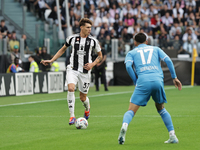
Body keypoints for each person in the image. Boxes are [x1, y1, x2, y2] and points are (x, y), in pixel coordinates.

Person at [118, 32, 182, 145]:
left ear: (135, 42)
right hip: (157, 80)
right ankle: (172, 136)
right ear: (147, 41)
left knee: (131, 110)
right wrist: (174, 78)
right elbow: (168, 60)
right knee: (161, 108)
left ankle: (124, 125)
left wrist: (135, 81)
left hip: (143, 81)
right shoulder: (156, 49)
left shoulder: (132, 52)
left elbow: (128, 66)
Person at [41, 18, 102, 125]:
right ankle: (72, 116)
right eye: (87, 27)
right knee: (70, 88)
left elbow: (100, 56)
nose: (89, 29)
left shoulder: (93, 41)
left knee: (83, 98)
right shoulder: (72, 38)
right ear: (81, 27)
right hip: (72, 69)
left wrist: (92, 64)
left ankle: (87, 108)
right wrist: (51, 60)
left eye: (90, 27)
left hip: (85, 72)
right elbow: (62, 50)